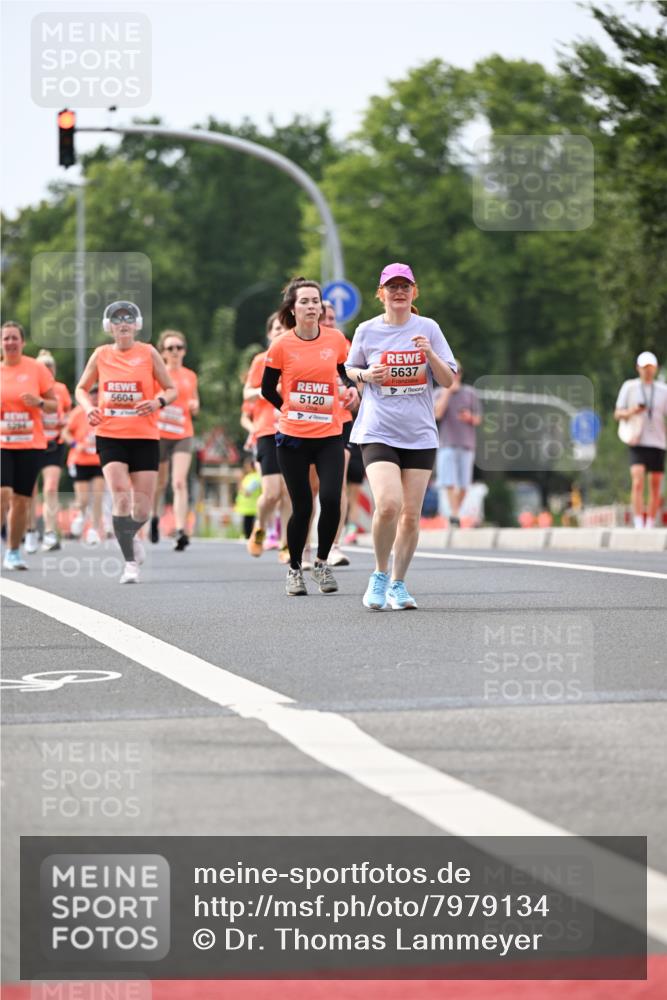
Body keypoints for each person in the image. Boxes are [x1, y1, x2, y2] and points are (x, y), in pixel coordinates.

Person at [345, 263, 456, 610]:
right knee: (389, 504)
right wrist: (366, 374)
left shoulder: (429, 328)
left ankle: (398, 583)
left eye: (404, 286)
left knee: (410, 515)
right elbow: (349, 369)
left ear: (414, 292)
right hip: (378, 429)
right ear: (381, 294)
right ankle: (378, 574)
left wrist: (430, 355)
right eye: (391, 287)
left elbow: (448, 379)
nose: (398, 292)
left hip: (419, 434)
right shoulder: (367, 330)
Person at [261, 277, 358, 596]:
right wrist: (286, 407)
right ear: (293, 308)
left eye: (316, 301)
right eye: (305, 301)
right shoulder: (282, 345)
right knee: (302, 506)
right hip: (293, 438)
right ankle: (293, 570)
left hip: (329, 433)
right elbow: (266, 388)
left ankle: (320, 562)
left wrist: (350, 391)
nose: (312, 306)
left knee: (330, 499)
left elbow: (345, 374)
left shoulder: (335, 340)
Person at [75, 301, 176, 583]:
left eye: (128, 319)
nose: (123, 324)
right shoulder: (101, 355)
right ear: (109, 327)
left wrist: (157, 401)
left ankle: (129, 532)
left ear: (136, 325)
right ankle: (130, 563)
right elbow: (81, 389)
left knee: (142, 508)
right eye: (117, 320)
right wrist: (87, 408)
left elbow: (172, 389)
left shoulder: (148, 353)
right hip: (110, 434)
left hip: (144, 436)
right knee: (120, 494)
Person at [1, 321, 57, 570]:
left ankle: (13, 552)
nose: (10, 342)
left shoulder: (36, 369)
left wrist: (38, 402)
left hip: (31, 443)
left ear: (22, 342)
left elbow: (55, 405)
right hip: (3, 443)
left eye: (15, 338)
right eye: (6, 338)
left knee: (22, 501)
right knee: (3, 494)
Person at [244, 312, 291, 563]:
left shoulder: (297, 358)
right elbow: (247, 393)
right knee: (271, 492)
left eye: (284, 328)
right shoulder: (261, 360)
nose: (280, 332)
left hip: (293, 428)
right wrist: (268, 391)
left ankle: (287, 544)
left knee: (288, 491)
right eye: (275, 328)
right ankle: (260, 527)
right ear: (268, 334)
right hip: (266, 431)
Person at [150, 330, 199, 551]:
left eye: (179, 347)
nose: (175, 351)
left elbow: (195, 401)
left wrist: (195, 406)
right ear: (163, 352)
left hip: (183, 433)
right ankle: (153, 517)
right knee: (160, 483)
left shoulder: (190, 376)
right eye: (170, 348)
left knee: (179, 482)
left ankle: (181, 530)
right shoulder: (157, 375)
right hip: (159, 433)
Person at [24, 350, 72, 553]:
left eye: (50, 366)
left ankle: (51, 533)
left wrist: (65, 423)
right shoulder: (29, 389)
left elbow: (69, 414)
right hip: (32, 442)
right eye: (43, 367)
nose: (47, 370)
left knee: (51, 488)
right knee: (29, 490)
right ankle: (31, 530)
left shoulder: (61, 389)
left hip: (54, 444)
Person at [614, 350, 667, 529]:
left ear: (656, 368)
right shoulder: (629, 387)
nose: (648, 371)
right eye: (644, 367)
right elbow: (618, 413)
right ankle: (638, 522)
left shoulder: (663, 390)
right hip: (637, 440)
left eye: (651, 367)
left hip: (658, 441)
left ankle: (650, 522)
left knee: (655, 484)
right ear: (638, 368)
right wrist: (632, 411)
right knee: (637, 480)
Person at [434, 359, 482, 527]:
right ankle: (455, 515)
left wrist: (469, 417)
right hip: (446, 442)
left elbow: (478, 419)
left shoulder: (470, 393)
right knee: (448, 481)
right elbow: (437, 414)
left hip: (467, 443)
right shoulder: (439, 392)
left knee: (463, 484)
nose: (455, 375)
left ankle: (455, 513)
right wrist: (448, 391)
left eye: (457, 371)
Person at [62, 386, 106, 545]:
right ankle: (79, 515)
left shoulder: (106, 412)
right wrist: (75, 445)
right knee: (83, 499)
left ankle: (94, 530)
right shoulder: (79, 413)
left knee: (98, 496)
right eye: (92, 396)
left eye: (98, 396)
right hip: (79, 460)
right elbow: (65, 433)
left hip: (99, 460)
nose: (95, 400)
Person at [234, 456, 262, 538]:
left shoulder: (255, 478)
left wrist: (239, 481)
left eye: (246, 465)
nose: (245, 467)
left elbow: (247, 493)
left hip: (251, 509)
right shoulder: (248, 476)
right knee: (247, 529)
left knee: (249, 530)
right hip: (247, 509)